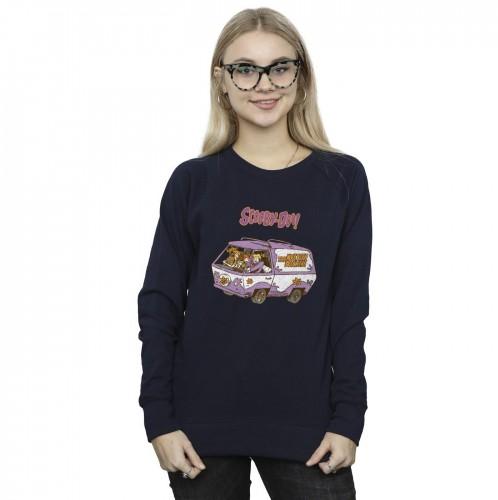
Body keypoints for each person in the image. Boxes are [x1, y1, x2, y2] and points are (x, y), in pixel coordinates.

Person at [137, 7, 372, 499]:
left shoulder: (342, 179)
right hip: (199, 426)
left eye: (279, 67)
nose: (263, 84)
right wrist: (159, 419)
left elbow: (349, 310)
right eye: (244, 69)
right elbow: (159, 304)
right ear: (221, 80)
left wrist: (349, 418)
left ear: (301, 76)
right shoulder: (192, 182)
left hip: (307, 426)